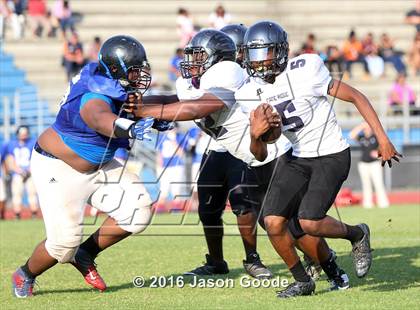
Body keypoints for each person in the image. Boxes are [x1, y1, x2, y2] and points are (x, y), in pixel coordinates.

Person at [134, 29, 346, 287]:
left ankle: (334, 269)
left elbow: (197, 108)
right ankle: (316, 269)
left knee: (292, 227)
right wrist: (134, 103)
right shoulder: (196, 82)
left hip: (275, 157)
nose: (192, 61)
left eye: (199, 56)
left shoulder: (228, 73)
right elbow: (174, 99)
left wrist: (145, 110)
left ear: (216, 58)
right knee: (276, 226)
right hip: (254, 161)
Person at [238, 21, 400, 298]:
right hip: (299, 156)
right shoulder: (249, 91)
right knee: (273, 222)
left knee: (310, 222)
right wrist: (257, 136)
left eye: (264, 52)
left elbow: (356, 96)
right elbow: (263, 151)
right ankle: (302, 281)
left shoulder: (305, 70)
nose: (259, 61)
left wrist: (382, 138)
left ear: (279, 51)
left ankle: (357, 234)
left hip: (331, 153)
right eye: (253, 54)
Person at [10, 35, 172, 298]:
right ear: (117, 69)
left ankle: (85, 254)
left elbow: (138, 105)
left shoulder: (110, 81)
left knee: (138, 211)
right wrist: (130, 128)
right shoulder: (93, 93)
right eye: (133, 69)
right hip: (58, 168)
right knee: (63, 245)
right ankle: (25, 274)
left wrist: (162, 114)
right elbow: (100, 118)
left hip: (98, 165)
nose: (140, 74)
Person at [350, 123, 390, 209]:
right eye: (365, 128)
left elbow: (383, 148)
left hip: (374, 164)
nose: (367, 129)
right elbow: (351, 135)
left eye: (368, 127)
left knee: (378, 183)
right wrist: (361, 126)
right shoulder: (361, 137)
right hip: (363, 164)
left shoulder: (375, 137)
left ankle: (383, 203)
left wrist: (378, 154)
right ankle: (368, 203)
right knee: (366, 184)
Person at [5, 126, 38, 219]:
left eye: (25, 134)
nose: (23, 136)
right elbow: (9, 159)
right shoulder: (12, 144)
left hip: (30, 172)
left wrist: (29, 169)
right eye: (21, 134)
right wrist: (18, 170)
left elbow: (35, 158)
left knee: (32, 193)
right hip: (17, 173)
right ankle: (17, 214)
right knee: (17, 194)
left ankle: (34, 214)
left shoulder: (32, 143)